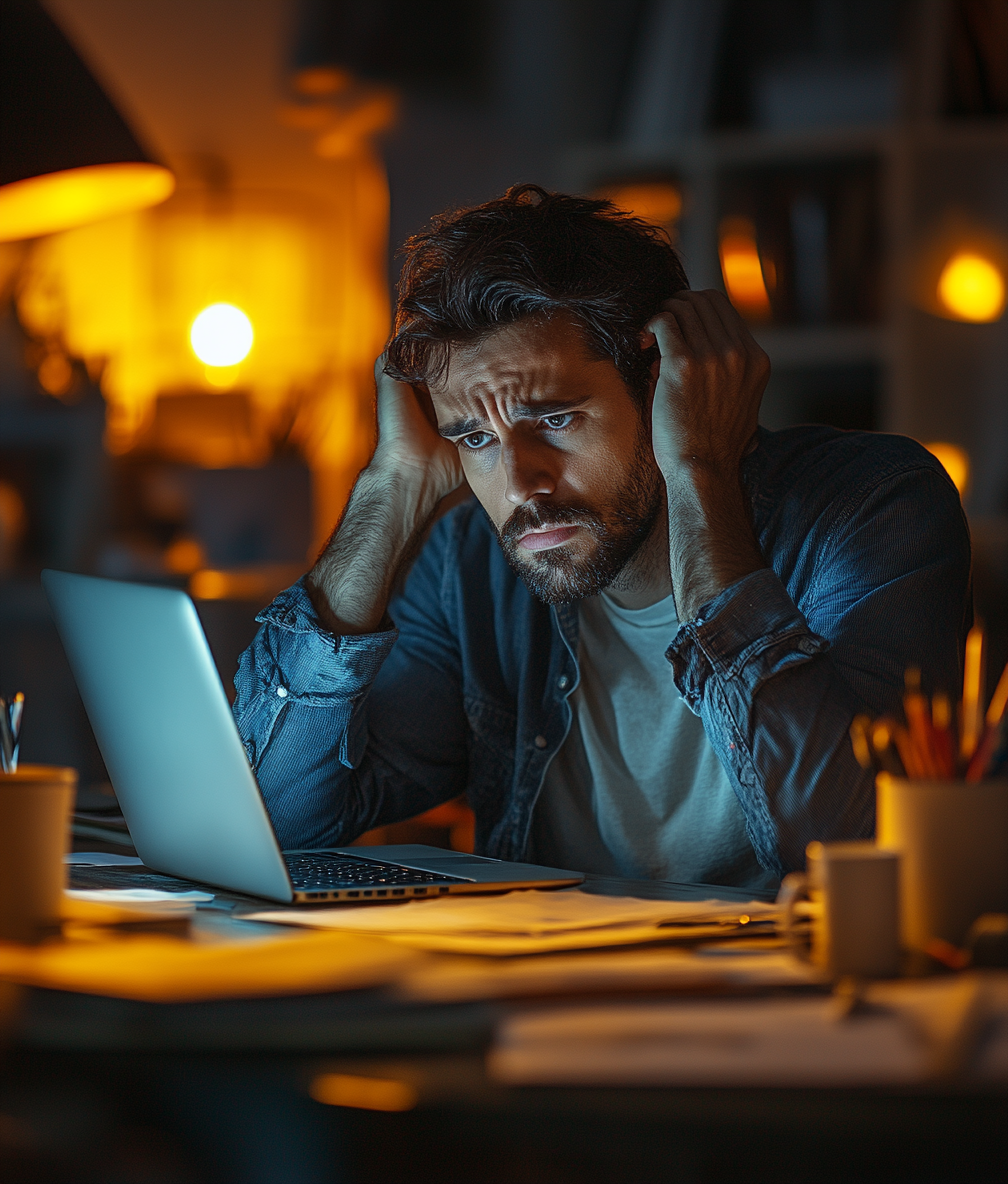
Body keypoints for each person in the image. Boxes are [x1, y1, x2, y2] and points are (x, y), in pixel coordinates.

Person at [233, 185, 971, 890]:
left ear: (664, 386)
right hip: (547, 998)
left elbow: (850, 842)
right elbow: (269, 822)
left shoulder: (873, 506)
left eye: (554, 420)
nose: (520, 484)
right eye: (475, 439)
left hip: (789, 1001)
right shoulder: (468, 565)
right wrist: (387, 488)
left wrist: (701, 474)